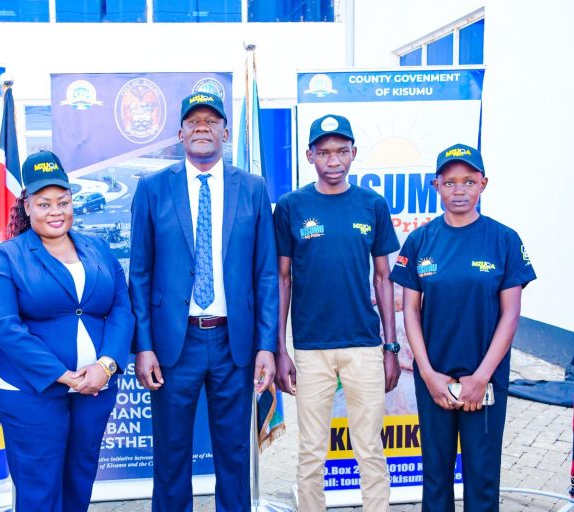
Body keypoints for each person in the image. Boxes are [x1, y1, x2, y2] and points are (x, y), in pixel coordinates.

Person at [129, 92, 278, 512]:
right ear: (180, 133)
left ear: (225, 133)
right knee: (171, 453)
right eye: (193, 121)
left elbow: (266, 274)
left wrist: (266, 345)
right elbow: (139, 273)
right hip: (175, 344)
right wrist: (144, 346)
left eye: (211, 121)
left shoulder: (252, 188)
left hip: (235, 343)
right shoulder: (153, 188)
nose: (202, 127)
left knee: (235, 454)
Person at [0, 150, 134, 512]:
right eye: (44, 204)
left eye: (63, 202)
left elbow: (122, 308)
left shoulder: (97, 249)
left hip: (94, 390)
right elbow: (5, 327)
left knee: (79, 481)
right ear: (27, 206)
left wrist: (107, 365)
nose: (55, 212)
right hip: (29, 392)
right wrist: (63, 375)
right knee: (40, 490)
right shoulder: (7, 257)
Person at [390, 143, 536, 511]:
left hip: (485, 380)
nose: (459, 190)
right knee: (435, 475)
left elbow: (510, 315)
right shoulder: (420, 240)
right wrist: (427, 373)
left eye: (469, 182)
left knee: (482, 475)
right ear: (436, 185)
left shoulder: (503, 240)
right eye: (450, 182)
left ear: (483, 184)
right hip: (435, 379)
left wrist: (481, 377)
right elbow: (410, 311)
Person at [273, 114, 401, 511]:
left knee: (370, 447)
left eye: (342, 151)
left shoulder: (372, 205)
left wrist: (391, 347)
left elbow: (383, 278)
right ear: (309, 155)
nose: (334, 161)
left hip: (364, 344)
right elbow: (282, 279)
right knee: (312, 450)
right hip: (311, 347)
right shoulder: (291, 207)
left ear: (354, 153)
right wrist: (280, 349)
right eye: (324, 152)